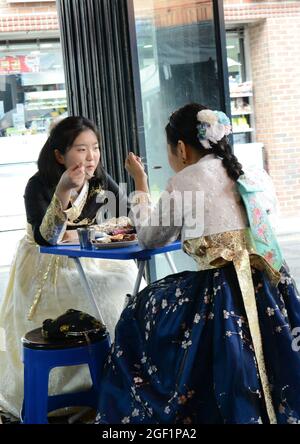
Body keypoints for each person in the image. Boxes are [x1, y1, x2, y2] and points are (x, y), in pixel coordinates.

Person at [96, 103, 300, 424]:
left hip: (218, 292)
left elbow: (150, 238)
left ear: (181, 148)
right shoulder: (247, 172)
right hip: (270, 287)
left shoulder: (185, 181)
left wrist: (140, 183)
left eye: (170, 151)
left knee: (140, 309)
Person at [0, 116, 143, 419]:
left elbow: (128, 219)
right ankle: (74, 393)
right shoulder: (38, 184)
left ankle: (117, 382)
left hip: (92, 259)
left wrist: (82, 233)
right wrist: (64, 192)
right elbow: (46, 237)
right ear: (59, 155)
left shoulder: (100, 181)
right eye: (81, 149)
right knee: (98, 297)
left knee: (127, 285)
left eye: (95, 148)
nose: (91, 157)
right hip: (46, 267)